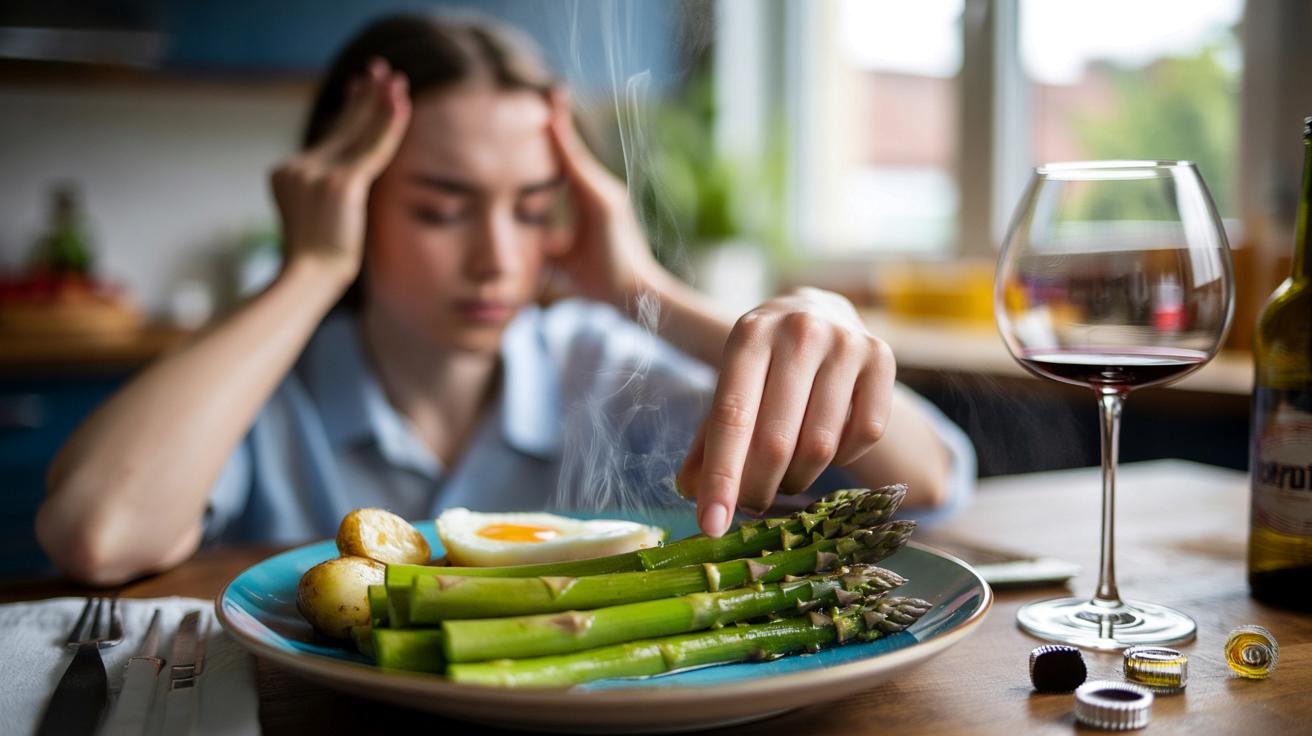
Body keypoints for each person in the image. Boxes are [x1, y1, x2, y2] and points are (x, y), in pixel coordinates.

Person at [35, 14, 975, 586]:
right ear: (349, 202)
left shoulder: (601, 366)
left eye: (531, 209)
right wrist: (309, 269)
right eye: (444, 209)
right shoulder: (265, 396)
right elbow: (95, 533)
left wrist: (644, 289)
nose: (496, 258)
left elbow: (923, 482)